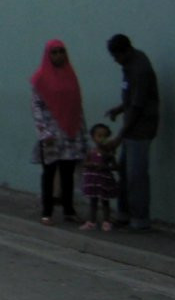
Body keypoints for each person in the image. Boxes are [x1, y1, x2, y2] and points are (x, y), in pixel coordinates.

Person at [106, 33, 160, 231]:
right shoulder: (129, 66)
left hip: (140, 129)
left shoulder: (140, 69)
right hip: (131, 126)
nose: (115, 61)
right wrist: (119, 109)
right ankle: (124, 214)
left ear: (125, 52)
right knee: (124, 171)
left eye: (116, 56)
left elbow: (138, 106)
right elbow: (131, 99)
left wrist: (119, 136)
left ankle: (140, 219)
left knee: (136, 175)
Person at [29, 39, 86, 225]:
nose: (58, 55)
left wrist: (81, 130)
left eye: (61, 51)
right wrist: (43, 132)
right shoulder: (41, 78)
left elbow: (77, 104)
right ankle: (47, 211)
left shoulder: (71, 76)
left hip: (70, 132)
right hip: (51, 133)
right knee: (49, 172)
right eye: (54, 52)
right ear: (48, 55)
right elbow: (36, 106)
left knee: (67, 173)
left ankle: (69, 210)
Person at [80, 123, 119, 231]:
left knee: (105, 201)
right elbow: (85, 163)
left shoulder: (109, 153)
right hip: (93, 180)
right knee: (93, 201)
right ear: (93, 137)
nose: (102, 139)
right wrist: (92, 165)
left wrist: (105, 166)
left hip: (103, 180)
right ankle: (92, 221)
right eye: (99, 136)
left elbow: (115, 166)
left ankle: (106, 221)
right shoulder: (91, 151)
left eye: (105, 136)